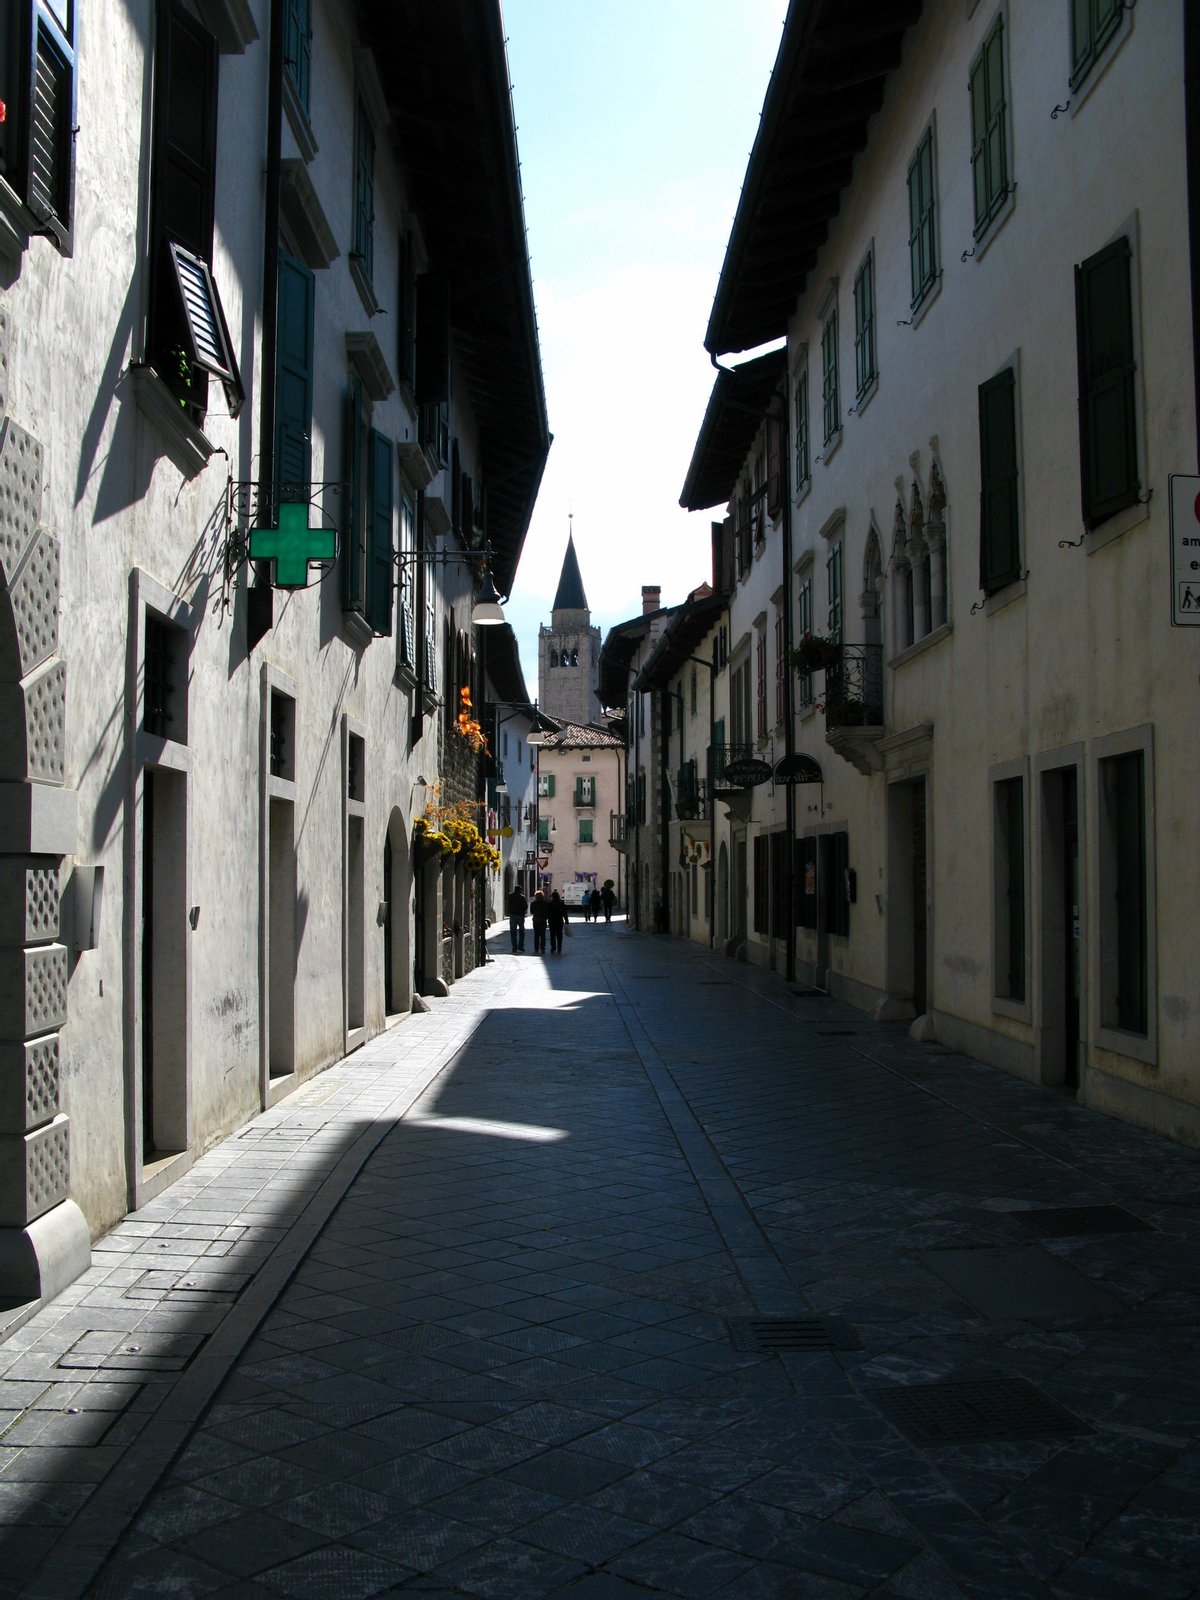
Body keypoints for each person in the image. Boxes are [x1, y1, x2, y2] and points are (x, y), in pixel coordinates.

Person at [506, 885, 528, 952]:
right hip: (520, 916)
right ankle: (520, 946)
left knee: (513, 932)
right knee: (521, 932)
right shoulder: (522, 897)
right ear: (520, 890)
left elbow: (508, 904)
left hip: (512, 915)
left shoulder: (510, 896)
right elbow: (525, 906)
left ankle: (514, 947)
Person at [529, 890, 549, 955]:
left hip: (536, 920)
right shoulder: (545, 903)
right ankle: (542, 948)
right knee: (543, 935)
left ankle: (536, 949)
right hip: (543, 920)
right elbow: (547, 912)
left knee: (536, 935)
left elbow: (531, 912)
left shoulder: (533, 903)